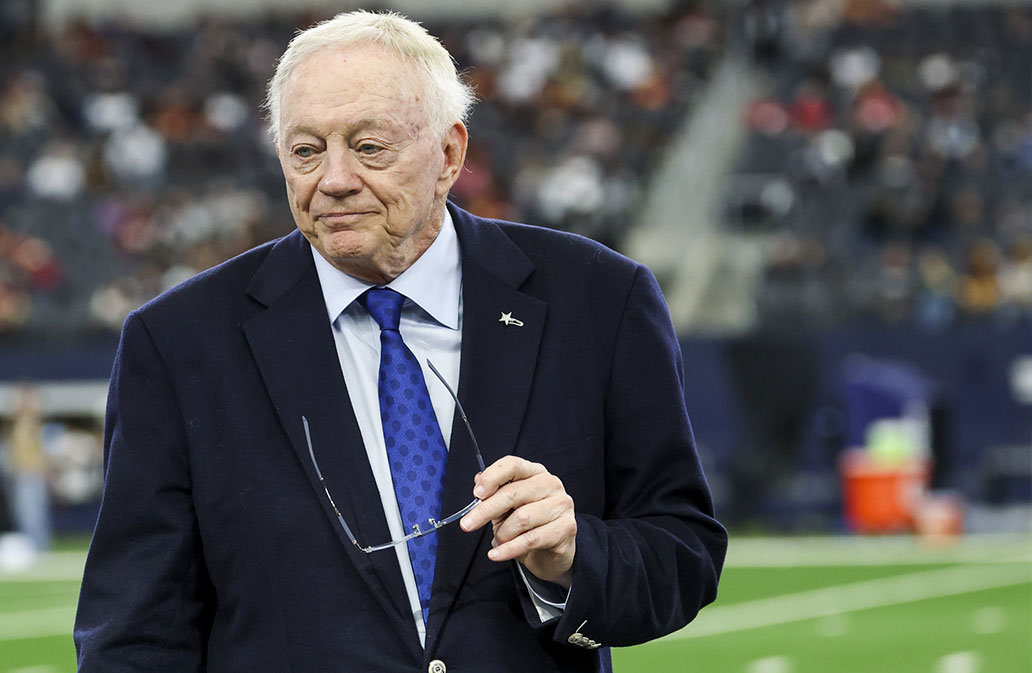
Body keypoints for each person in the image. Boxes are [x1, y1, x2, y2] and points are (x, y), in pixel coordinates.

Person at [74, 11, 725, 673]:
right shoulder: (179, 342)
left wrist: (572, 554)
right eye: (305, 150)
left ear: (448, 154)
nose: (332, 178)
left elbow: (684, 552)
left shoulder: (598, 300)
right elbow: (134, 634)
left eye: (368, 146)